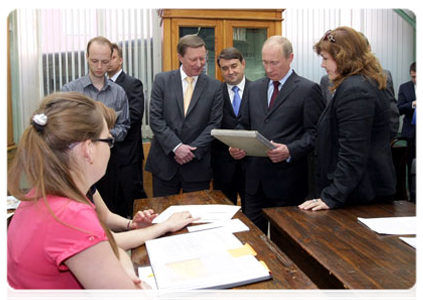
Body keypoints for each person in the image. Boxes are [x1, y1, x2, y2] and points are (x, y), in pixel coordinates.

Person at [5, 92, 172, 299]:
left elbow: (109, 247)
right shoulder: (71, 215)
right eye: (108, 141)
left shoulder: (45, 195)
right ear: (88, 149)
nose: (110, 149)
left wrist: (125, 273)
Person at [229, 36, 325, 233]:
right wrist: (238, 144)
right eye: (265, 62)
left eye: (274, 63)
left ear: (290, 58)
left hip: (289, 185)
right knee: (253, 240)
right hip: (255, 183)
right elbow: (243, 124)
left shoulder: (308, 90)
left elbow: (316, 134)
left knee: (287, 244)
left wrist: (290, 150)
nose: (269, 68)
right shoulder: (254, 88)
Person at [299, 26, 396, 211]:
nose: (322, 65)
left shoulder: (355, 89)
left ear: (343, 57)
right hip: (354, 193)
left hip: (359, 197)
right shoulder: (358, 83)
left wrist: (332, 196)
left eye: (326, 59)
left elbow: (353, 152)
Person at [145, 34, 223, 197]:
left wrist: (191, 151)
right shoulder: (162, 80)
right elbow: (155, 119)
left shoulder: (215, 86)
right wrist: (176, 147)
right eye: (193, 59)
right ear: (180, 57)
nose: (199, 64)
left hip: (197, 166)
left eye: (202, 59)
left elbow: (214, 124)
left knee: (197, 218)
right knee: (163, 216)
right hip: (164, 164)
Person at [62, 36, 130, 214]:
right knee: (80, 212)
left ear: (112, 59)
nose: (100, 67)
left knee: (109, 210)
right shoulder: (70, 91)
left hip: (108, 162)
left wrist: (103, 139)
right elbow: (63, 127)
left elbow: (124, 126)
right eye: (94, 61)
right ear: (86, 57)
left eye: (105, 61)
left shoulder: (119, 92)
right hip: (76, 165)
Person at [319, 33, 399, 140]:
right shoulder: (327, 80)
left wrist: (384, 143)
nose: (323, 64)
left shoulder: (373, 80)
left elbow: (391, 116)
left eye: (326, 58)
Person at [107, 43, 147, 218]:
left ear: (121, 60)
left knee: (132, 203)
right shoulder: (96, 86)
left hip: (127, 156)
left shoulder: (132, 84)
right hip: (104, 157)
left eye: (112, 57)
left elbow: (134, 115)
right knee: (109, 204)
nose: (108, 62)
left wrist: (104, 124)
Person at [211, 47, 250, 209]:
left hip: (251, 166)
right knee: (225, 215)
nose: (230, 72)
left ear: (243, 64)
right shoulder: (214, 93)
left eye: (234, 66)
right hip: (222, 167)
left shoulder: (258, 90)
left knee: (253, 217)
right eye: (225, 68)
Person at [397, 61, 420, 203]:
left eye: (418, 76)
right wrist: (413, 104)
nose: (416, 80)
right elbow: (398, 109)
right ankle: (414, 198)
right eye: (413, 77)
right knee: (411, 167)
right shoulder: (404, 87)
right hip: (411, 134)